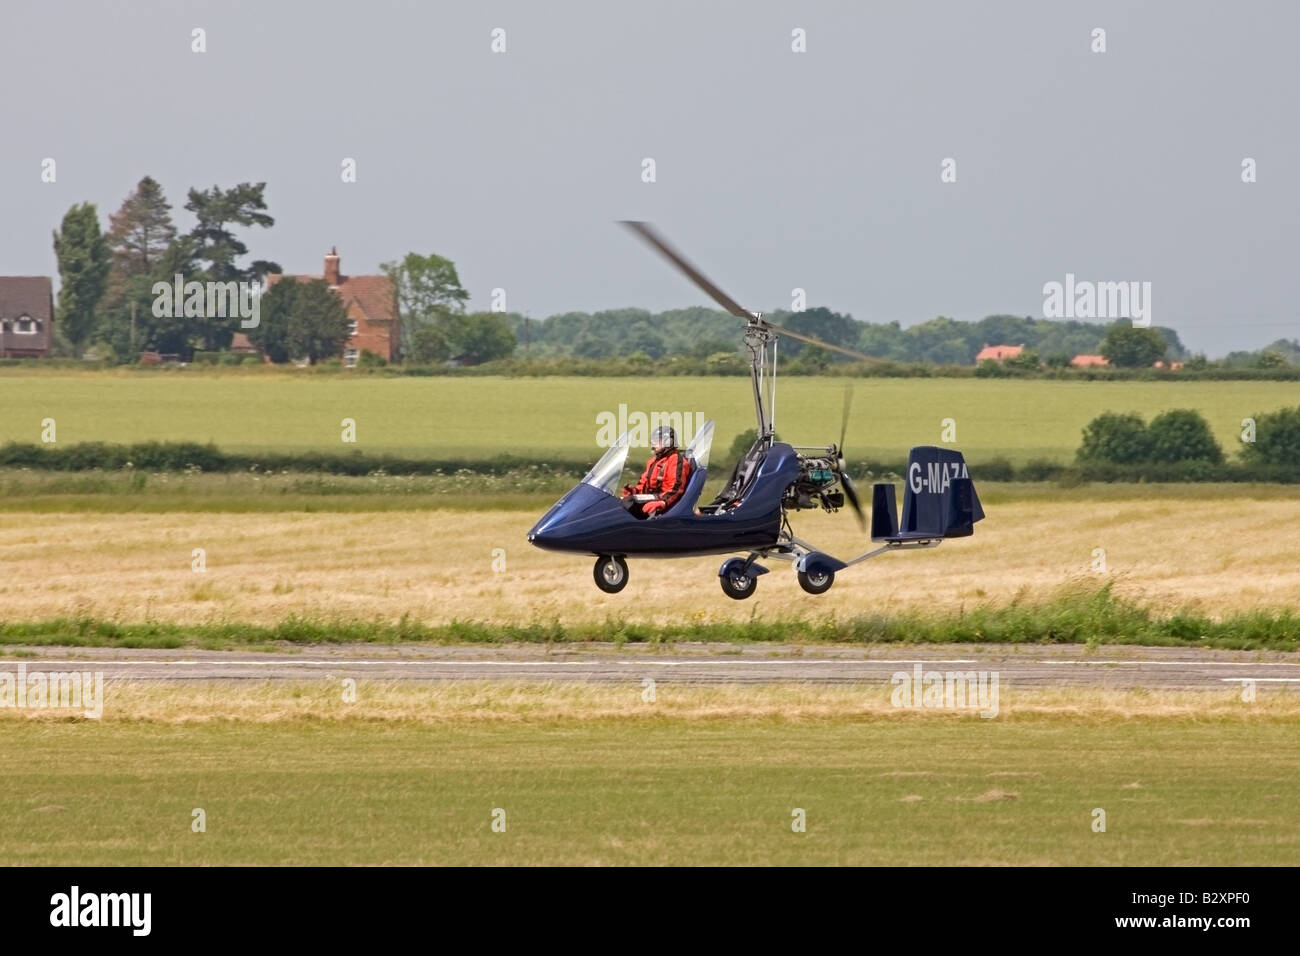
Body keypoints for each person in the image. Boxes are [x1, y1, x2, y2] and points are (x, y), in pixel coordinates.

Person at [621, 425, 691, 518]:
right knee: (620, 503)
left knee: (627, 504)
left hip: (665, 503)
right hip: (654, 498)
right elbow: (644, 484)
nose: (653, 443)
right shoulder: (653, 462)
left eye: (657, 440)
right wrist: (634, 491)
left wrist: (663, 502)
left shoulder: (676, 460)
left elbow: (675, 488)